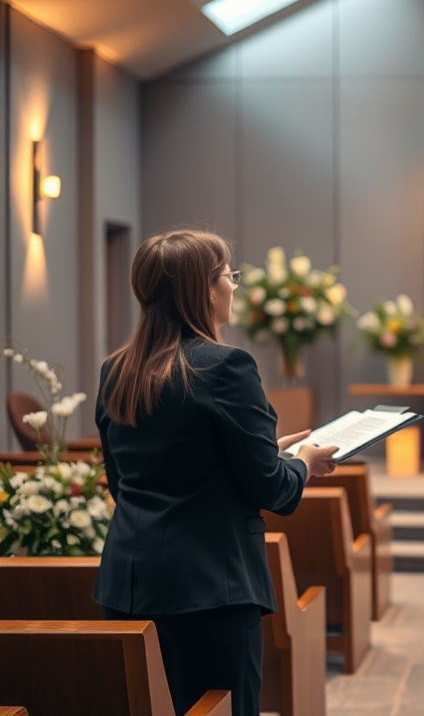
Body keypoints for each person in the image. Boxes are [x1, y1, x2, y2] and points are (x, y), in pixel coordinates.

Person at [93, 229, 338, 716]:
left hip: (129, 582)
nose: (233, 286)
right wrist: (303, 462)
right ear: (203, 289)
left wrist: (263, 450)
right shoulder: (226, 367)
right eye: (229, 276)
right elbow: (276, 491)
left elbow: (128, 482)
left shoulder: (115, 370)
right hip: (210, 591)